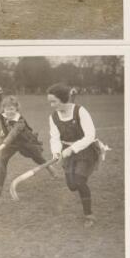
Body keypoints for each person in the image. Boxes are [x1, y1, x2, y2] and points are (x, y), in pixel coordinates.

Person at [47, 83, 101, 228]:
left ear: (63, 98)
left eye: (54, 101)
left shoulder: (80, 111)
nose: (52, 105)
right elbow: (54, 138)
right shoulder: (53, 117)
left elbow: (90, 135)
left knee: (79, 181)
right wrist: (57, 152)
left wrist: (72, 149)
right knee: (71, 186)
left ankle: (89, 214)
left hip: (85, 149)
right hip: (66, 151)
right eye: (50, 102)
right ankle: (81, 188)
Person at [0, 96, 57, 197]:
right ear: (3, 108)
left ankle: (51, 169)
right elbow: (7, 128)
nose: (9, 112)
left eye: (12, 109)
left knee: (38, 158)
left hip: (26, 142)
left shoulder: (20, 121)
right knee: (3, 160)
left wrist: (1, 146)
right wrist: (3, 131)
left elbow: (13, 133)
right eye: (7, 109)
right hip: (12, 143)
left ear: (16, 109)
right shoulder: (2, 116)